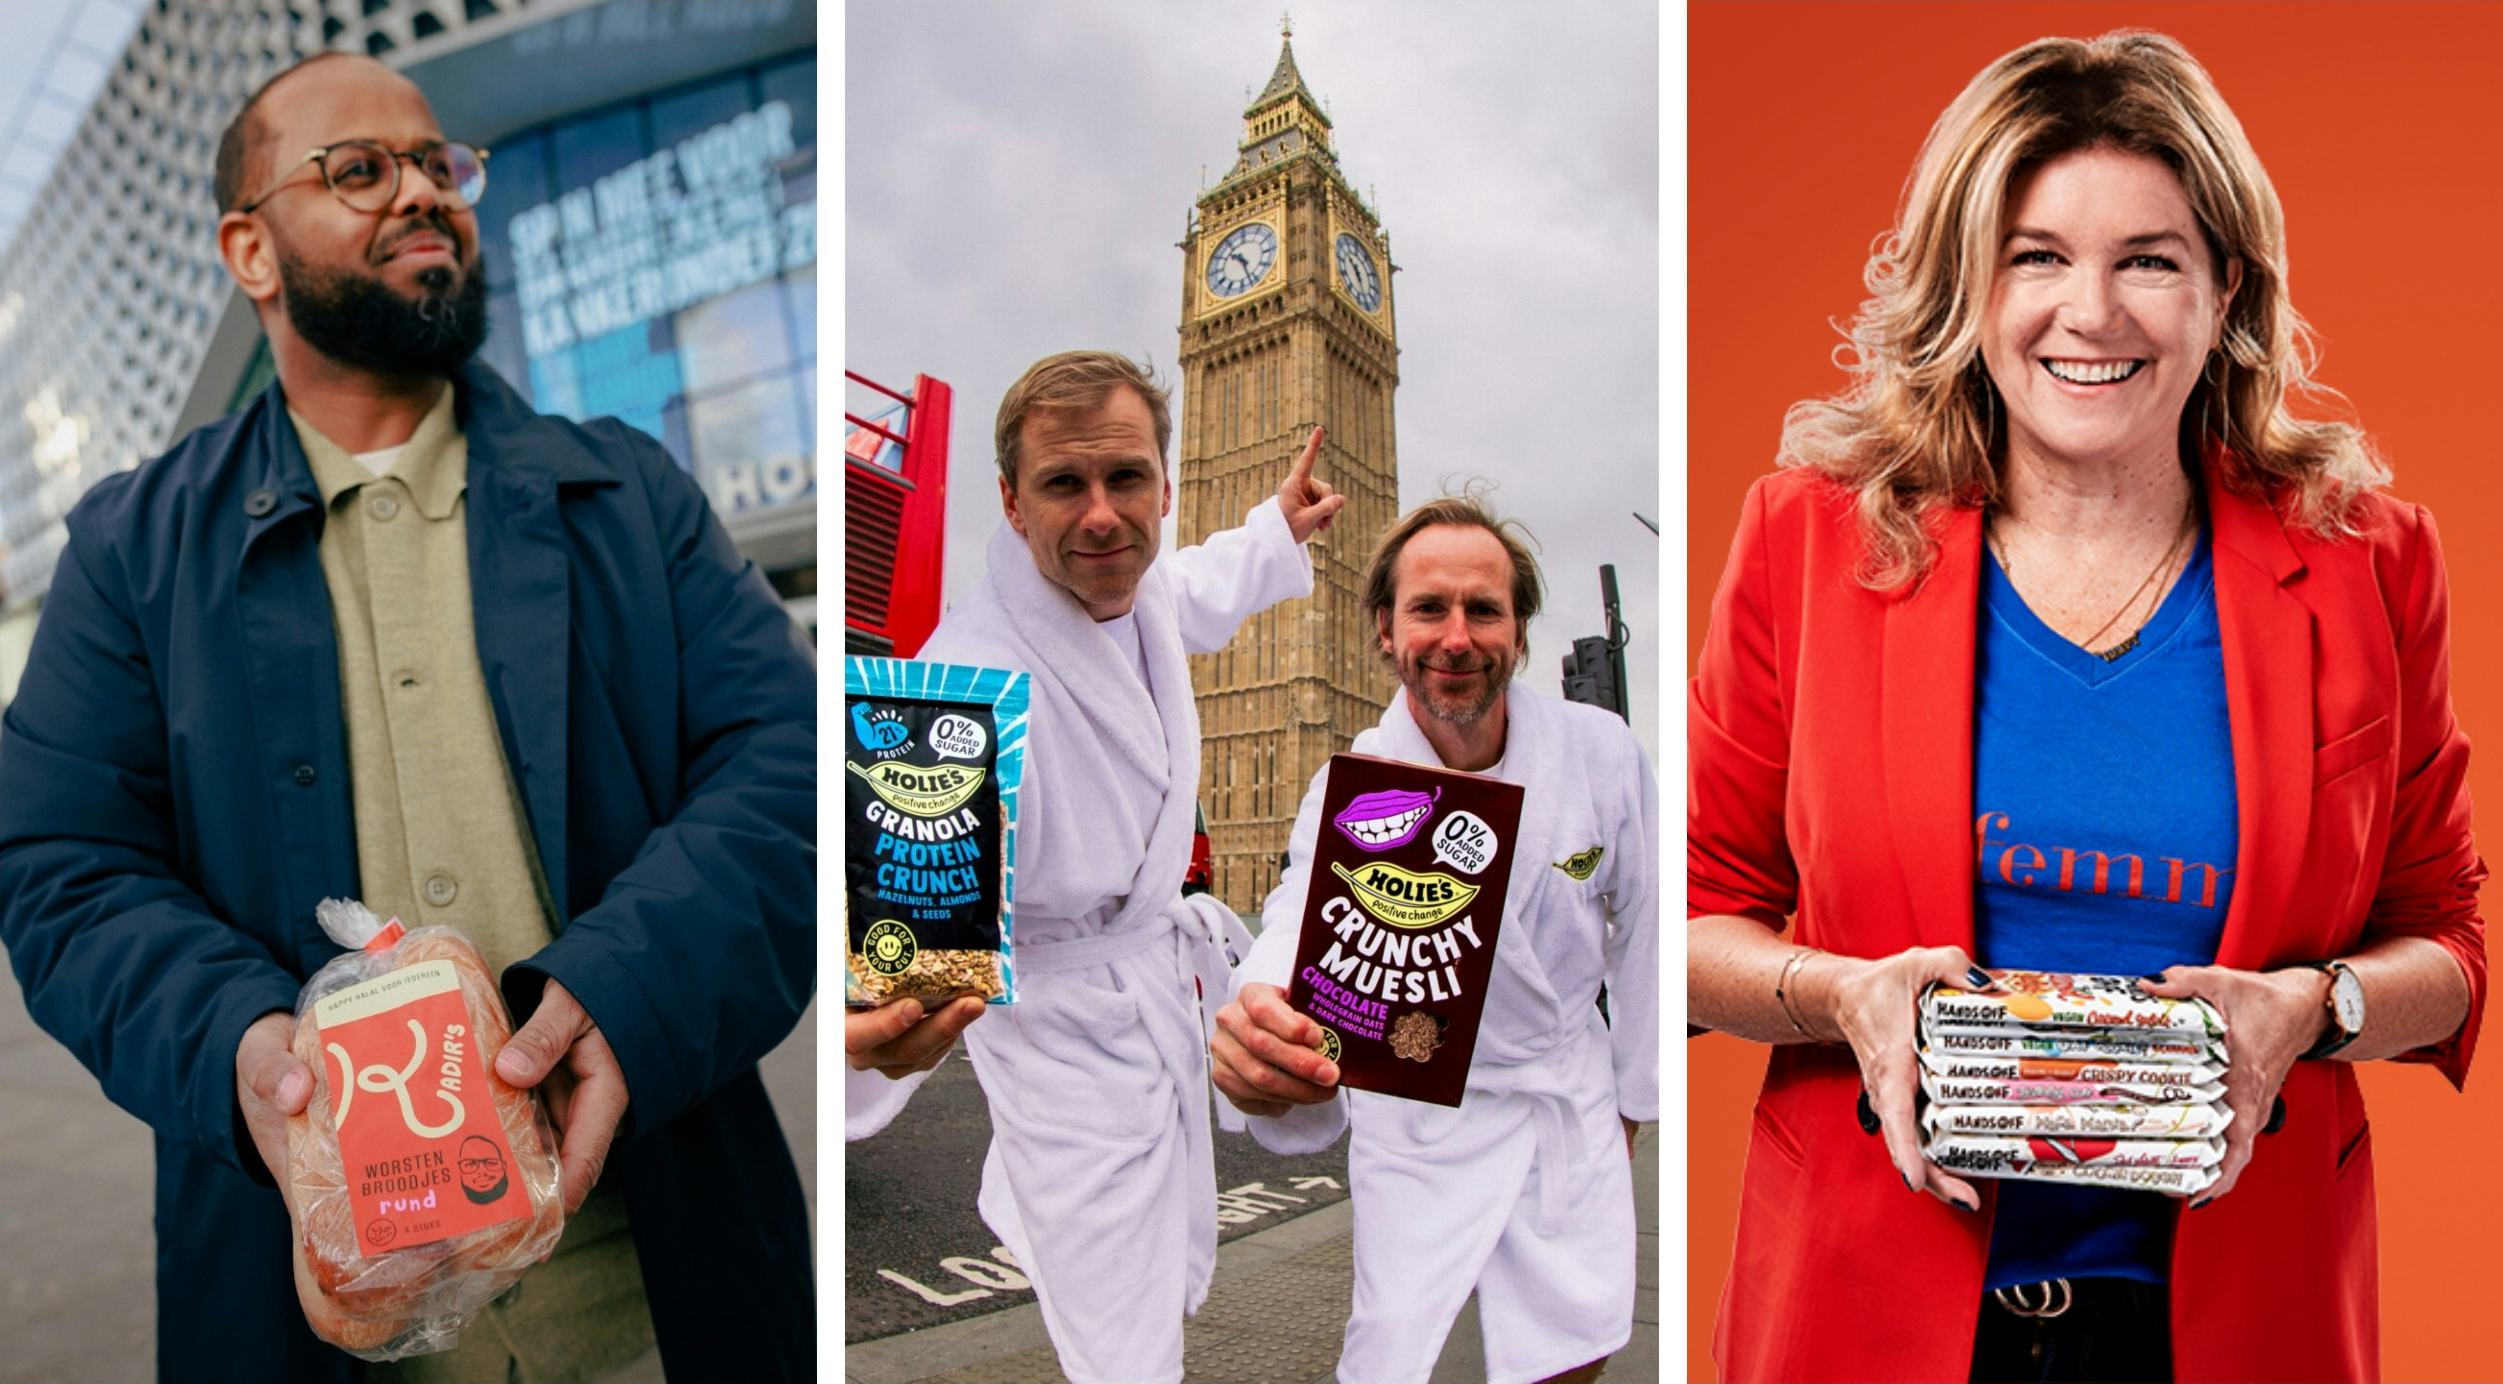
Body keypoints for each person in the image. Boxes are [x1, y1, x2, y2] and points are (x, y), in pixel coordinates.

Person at [0, 52, 815, 1384]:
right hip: (311, 1308)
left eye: (441, 165)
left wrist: (619, 998)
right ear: (250, 250)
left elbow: (781, 774)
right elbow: (62, 867)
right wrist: (244, 1054)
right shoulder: (133, 552)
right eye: (361, 170)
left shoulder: (626, 493)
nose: (423, 193)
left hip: (661, 1304)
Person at [1687, 31, 2484, 1383]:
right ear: (1967, 285)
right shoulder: (1808, 540)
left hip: (2236, 1322)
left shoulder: (2365, 562)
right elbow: (1697, 915)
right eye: (2036, 255)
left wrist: (2309, 1007)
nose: (2091, 313)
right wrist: (1841, 995)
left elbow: (2449, 947)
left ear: (2222, 287)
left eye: (2148, 261)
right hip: (1866, 1313)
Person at [842, 350, 1342, 1384]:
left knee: (1153, 1292)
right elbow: (908, 955)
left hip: (1157, 984)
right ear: (1013, 504)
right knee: (1123, 1336)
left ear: (1164, 482)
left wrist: (1273, 529)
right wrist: (872, 1042)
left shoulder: (1147, 591)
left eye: (1127, 479)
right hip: (1065, 1040)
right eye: (1065, 484)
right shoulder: (950, 692)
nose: (1104, 515)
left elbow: (1199, 583)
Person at [1213, 495, 1659, 1384]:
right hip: (1419, 1118)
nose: (1456, 638)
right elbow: (1303, 907)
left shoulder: (1599, 752)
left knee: (1573, 1349)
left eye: (1482, 610)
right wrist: (1255, 1011)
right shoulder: (1358, 780)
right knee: (1392, 1350)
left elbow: (1645, 928)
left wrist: (1631, 1105)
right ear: (1384, 631)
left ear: (1519, 633)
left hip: (1555, 1095)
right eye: (1428, 609)